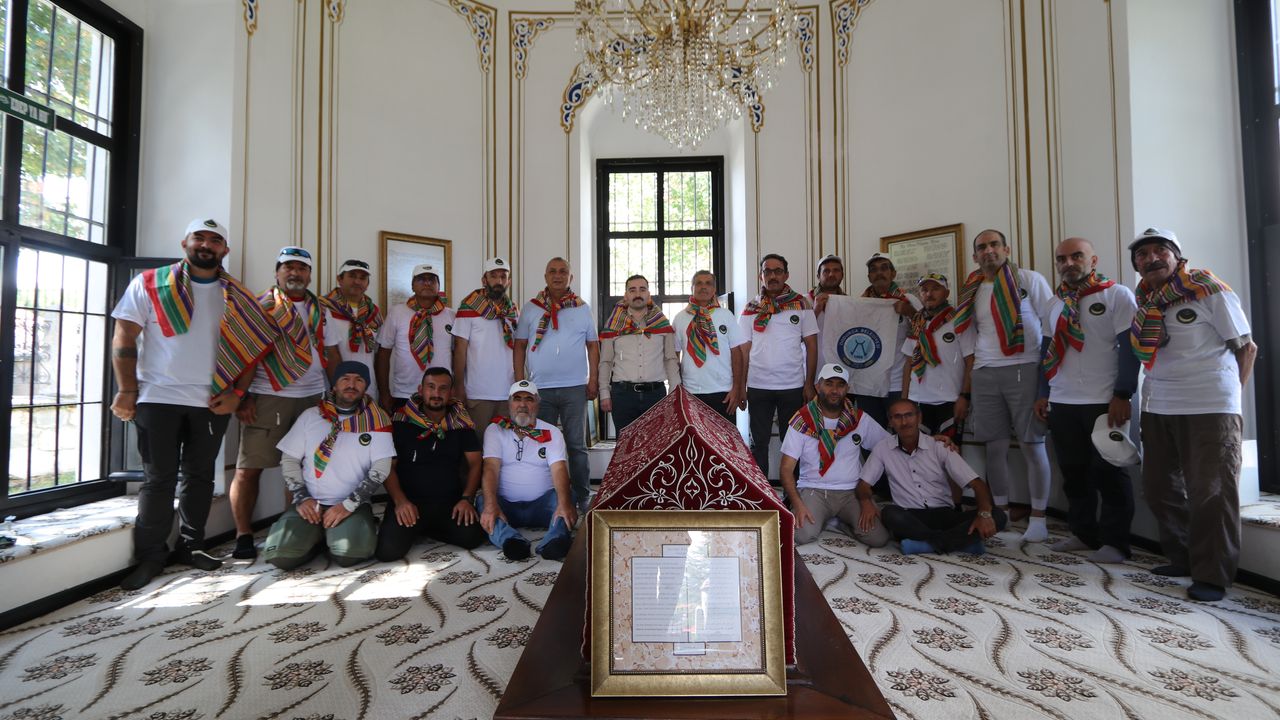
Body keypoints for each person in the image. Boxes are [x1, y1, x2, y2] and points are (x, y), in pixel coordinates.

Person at [110, 218, 276, 589]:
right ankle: (151, 556)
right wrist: (126, 390)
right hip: (157, 398)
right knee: (158, 479)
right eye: (199, 237)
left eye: (215, 240)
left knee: (200, 477)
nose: (206, 244)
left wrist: (238, 394)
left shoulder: (238, 296)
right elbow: (124, 335)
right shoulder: (149, 283)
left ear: (225, 250)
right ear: (185, 242)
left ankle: (192, 545)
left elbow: (253, 349)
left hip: (212, 401)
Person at [1129, 228, 1255, 601]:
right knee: (1158, 487)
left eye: (1160, 250)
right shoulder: (1145, 298)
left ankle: (1212, 575)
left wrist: (1231, 398)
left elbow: (1247, 348)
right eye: (1142, 254)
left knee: (1212, 492)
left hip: (1209, 405)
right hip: (1158, 404)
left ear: (1177, 256)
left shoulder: (1209, 289)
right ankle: (1182, 556)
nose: (1151, 258)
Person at [230, 246, 341, 559]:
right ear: (277, 272)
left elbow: (332, 353)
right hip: (269, 397)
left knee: (305, 469)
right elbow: (245, 354)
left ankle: (294, 529)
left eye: (302, 268)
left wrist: (337, 394)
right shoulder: (261, 306)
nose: (295, 273)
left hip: (313, 399)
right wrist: (243, 396)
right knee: (249, 468)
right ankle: (243, 535)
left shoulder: (321, 310)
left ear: (310, 275)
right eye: (288, 267)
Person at [1033, 238, 1139, 563]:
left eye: (1076, 256)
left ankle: (1116, 542)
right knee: (1074, 473)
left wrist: (1123, 394)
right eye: (1061, 258)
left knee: (1109, 471)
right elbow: (1046, 351)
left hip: (1104, 401)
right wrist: (1043, 393)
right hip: (1063, 401)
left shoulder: (1116, 295)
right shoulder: (1053, 303)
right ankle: (1083, 533)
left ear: (1093, 260)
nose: (1068, 263)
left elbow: (1130, 348)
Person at [954, 229, 1054, 541]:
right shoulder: (972, 288)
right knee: (994, 448)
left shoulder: (1028, 280)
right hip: (985, 371)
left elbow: (1051, 323)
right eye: (982, 247)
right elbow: (967, 332)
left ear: (1006, 249)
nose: (989, 251)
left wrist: (1045, 377)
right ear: (975, 256)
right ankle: (1002, 512)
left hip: (1025, 366)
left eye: (994, 244)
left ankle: (1038, 518)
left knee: (1032, 445)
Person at [263, 362, 395, 569]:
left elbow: (381, 468)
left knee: (350, 555)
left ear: (366, 386)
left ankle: (331, 534)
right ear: (334, 385)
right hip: (310, 503)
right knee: (281, 556)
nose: (351, 385)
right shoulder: (311, 416)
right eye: (345, 379)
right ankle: (318, 537)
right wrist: (302, 498)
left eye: (359, 380)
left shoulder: (377, 420)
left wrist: (348, 505)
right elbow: (289, 459)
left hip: (352, 504)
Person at [857, 398, 1007, 554]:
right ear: (890, 422)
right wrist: (866, 501)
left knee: (998, 515)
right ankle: (961, 543)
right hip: (910, 515)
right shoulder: (883, 448)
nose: (904, 422)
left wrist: (984, 514)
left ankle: (928, 544)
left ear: (919, 418)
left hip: (944, 514)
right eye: (897, 417)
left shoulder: (940, 446)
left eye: (909, 415)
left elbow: (978, 485)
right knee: (890, 514)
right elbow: (863, 485)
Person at [513, 257, 599, 510]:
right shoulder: (531, 308)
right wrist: (520, 382)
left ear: (571, 277)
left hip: (575, 387)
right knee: (541, 443)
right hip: (540, 389)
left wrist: (593, 379)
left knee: (576, 446)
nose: (558, 275)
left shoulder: (582, 308)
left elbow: (593, 346)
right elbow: (519, 346)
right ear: (545, 276)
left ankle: (582, 496)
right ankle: (546, 495)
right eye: (552, 271)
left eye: (563, 272)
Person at [376, 367, 485, 560]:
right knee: (388, 552)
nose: (436, 393)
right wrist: (400, 502)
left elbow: (476, 463)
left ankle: (425, 528)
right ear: (421, 390)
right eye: (431, 387)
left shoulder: (461, 424)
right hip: (410, 502)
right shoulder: (400, 422)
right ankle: (417, 526)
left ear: (451, 393)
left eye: (443, 388)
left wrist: (466, 499)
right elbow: (387, 467)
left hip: (448, 503)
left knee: (473, 538)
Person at [780, 364, 891, 546]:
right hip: (814, 490)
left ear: (847, 388)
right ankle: (826, 518)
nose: (834, 390)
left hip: (851, 492)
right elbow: (786, 469)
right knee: (802, 535)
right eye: (829, 384)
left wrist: (867, 492)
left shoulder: (859, 419)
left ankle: (841, 523)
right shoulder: (802, 420)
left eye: (840, 385)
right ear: (818, 386)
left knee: (879, 539)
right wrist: (798, 504)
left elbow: (888, 447)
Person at [477, 380, 578, 561]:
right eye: (517, 399)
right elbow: (490, 468)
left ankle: (554, 541)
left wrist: (564, 504)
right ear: (509, 403)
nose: (522, 404)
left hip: (542, 505)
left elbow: (559, 469)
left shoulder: (551, 432)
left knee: (567, 497)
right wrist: (491, 505)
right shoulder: (495, 430)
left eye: (529, 399)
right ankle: (511, 541)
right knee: (483, 501)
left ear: (537, 403)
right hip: (506, 505)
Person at [740, 254, 818, 476]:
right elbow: (743, 350)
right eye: (767, 271)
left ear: (786, 275)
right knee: (759, 443)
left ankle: (793, 493)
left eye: (778, 271)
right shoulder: (751, 308)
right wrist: (741, 386)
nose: (772, 276)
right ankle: (762, 493)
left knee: (792, 442)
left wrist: (809, 384)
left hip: (792, 386)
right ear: (761, 276)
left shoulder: (802, 305)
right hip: (758, 386)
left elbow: (812, 346)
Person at [599, 274, 681, 432]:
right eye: (632, 290)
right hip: (622, 396)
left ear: (648, 294)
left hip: (655, 396)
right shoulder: (614, 325)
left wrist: (674, 391)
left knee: (654, 444)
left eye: (642, 289)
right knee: (625, 444)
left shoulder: (661, 324)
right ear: (626, 295)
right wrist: (604, 393)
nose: (637, 294)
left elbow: (670, 359)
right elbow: (606, 362)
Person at [900, 273, 973, 441]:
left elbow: (970, 362)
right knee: (916, 452)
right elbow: (909, 363)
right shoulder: (916, 323)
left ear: (946, 293)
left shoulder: (959, 320)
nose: (929, 294)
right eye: (924, 290)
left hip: (949, 400)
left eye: (935, 289)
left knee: (949, 452)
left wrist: (965, 397)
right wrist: (904, 399)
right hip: (917, 400)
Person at [451, 257, 518, 430]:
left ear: (509, 281)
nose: (499, 281)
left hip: (508, 393)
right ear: (484, 280)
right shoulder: (468, 307)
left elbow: (519, 350)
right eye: (493, 276)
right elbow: (459, 350)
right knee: (478, 442)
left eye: (503, 277)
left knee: (505, 443)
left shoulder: (513, 311)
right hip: (478, 394)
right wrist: (458, 387)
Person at [855, 252, 921, 426]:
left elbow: (926, 331)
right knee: (871, 435)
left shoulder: (909, 300)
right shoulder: (859, 304)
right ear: (869, 276)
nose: (879, 273)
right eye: (874, 270)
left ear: (893, 273)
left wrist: (909, 312)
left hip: (897, 383)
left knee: (903, 432)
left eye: (884, 268)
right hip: (868, 384)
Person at [377, 263, 454, 413]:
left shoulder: (451, 316)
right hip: (404, 393)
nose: (427, 283)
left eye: (432, 280)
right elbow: (383, 354)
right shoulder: (397, 313)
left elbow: (457, 354)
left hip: (441, 394)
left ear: (438, 286)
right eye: (421, 279)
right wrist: (384, 393)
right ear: (412, 285)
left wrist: (456, 388)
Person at [672, 270, 747, 421]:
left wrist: (737, 388)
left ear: (714, 289)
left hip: (724, 392)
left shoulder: (726, 315)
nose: (703, 287)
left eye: (708, 283)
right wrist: (677, 389)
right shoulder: (680, 318)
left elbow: (737, 353)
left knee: (724, 437)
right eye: (699, 283)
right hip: (691, 392)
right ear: (692, 288)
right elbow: (674, 355)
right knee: (694, 437)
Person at [322, 259, 383, 401]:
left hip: (367, 388)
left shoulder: (374, 313)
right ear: (339, 279)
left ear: (367, 284)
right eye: (352, 276)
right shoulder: (322, 308)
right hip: (332, 387)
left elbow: (378, 353)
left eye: (362, 278)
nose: (357, 281)